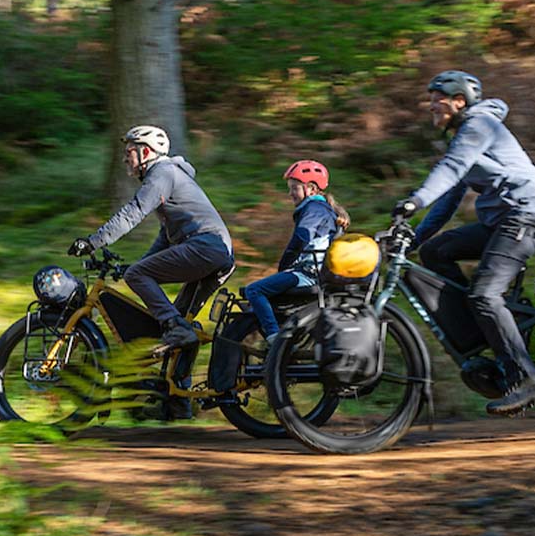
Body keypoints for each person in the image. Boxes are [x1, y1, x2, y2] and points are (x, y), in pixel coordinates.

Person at [392, 70, 535, 416]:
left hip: (528, 215)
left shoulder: (480, 126)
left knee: (484, 293)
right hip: (503, 221)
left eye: (438, 100)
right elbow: (449, 200)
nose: (432, 106)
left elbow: (451, 169)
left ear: (460, 101)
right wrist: (413, 237)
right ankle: (485, 336)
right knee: (435, 251)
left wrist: (414, 200)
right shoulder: (465, 137)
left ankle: (527, 379)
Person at [68, 125, 234, 417]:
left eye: (129, 152)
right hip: (217, 254)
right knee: (182, 323)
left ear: (146, 152)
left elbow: (132, 212)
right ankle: (177, 403)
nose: (125, 159)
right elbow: (165, 238)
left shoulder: (163, 174)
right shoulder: (171, 178)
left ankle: (176, 330)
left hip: (206, 248)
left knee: (165, 312)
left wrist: (94, 241)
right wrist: (135, 265)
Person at [243, 160, 350, 344]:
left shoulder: (314, 208)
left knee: (254, 290)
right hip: (311, 272)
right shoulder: (321, 209)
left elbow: (301, 237)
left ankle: (275, 339)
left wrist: (284, 265)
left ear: (311, 189)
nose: (290, 193)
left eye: (294, 188)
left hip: (307, 274)